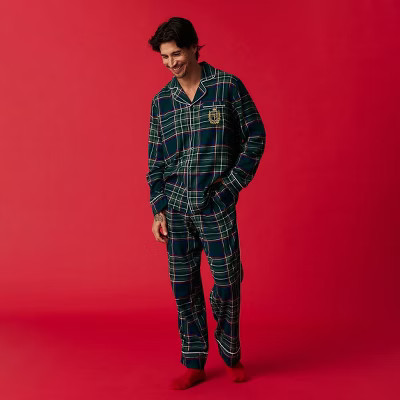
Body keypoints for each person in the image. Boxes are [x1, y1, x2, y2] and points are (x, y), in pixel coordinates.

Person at [146, 17, 266, 390]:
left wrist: (231, 187)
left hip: (216, 204)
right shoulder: (161, 102)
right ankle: (194, 361)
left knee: (228, 281)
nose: (171, 63)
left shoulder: (227, 87)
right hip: (176, 208)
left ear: (194, 47)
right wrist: (158, 210)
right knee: (183, 288)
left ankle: (231, 355)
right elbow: (155, 161)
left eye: (176, 54)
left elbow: (256, 136)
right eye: (165, 57)